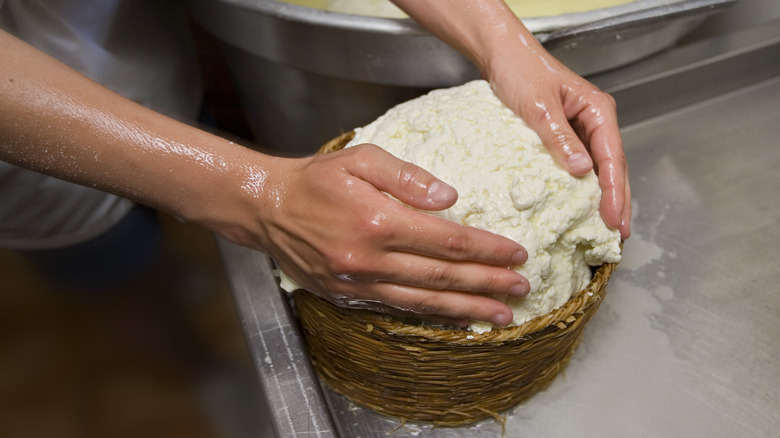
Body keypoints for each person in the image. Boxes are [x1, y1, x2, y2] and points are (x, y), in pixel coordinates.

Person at [0, 0, 630, 329]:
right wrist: (252, 194)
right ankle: (168, 349)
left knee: (181, 254)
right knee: (114, 270)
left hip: (155, 69)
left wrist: (507, 43)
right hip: (38, 150)